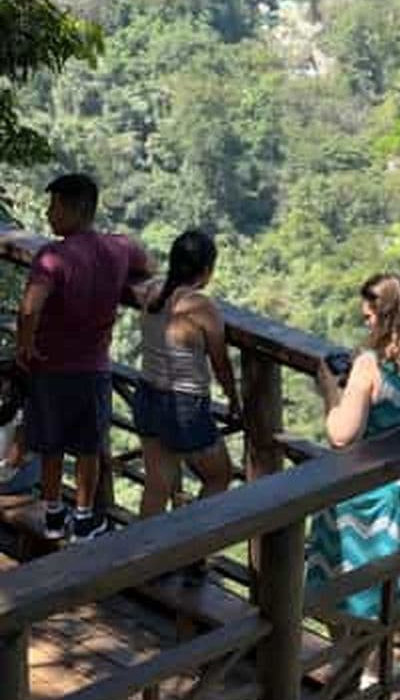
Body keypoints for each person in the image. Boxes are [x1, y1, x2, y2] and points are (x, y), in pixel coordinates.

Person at [306, 273, 400, 621]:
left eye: (369, 316)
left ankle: (344, 665)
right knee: (392, 589)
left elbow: (341, 434)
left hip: (362, 495)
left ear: (385, 317)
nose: (365, 322)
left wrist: (330, 389)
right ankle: (372, 672)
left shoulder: (370, 366)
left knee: (339, 588)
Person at [16, 174, 152, 541]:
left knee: (51, 441)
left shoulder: (53, 257)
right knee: (88, 445)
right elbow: (149, 266)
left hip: (49, 364)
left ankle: (53, 513)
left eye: (54, 206)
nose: (48, 214)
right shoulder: (118, 249)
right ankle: (85, 516)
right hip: (91, 366)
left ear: (76, 209)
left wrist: (24, 345)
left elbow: (30, 308)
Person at [132, 230, 240, 550]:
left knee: (158, 484)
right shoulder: (201, 308)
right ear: (206, 271)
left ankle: (143, 561)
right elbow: (221, 364)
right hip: (184, 406)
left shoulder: (152, 292)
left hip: (147, 395)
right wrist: (235, 400)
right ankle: (192, 552)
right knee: (219, 476)